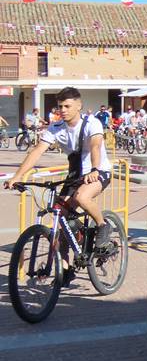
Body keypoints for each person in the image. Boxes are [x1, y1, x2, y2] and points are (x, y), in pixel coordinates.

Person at [5, 87, 113, 249]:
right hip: (75, 175)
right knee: (60, 219)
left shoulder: (92, 122)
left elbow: (96, 146)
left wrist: (94, 169)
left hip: (98, 171)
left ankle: (102, 225)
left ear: (78, 105)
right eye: (60, 107)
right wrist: (18, 176)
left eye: (67, 106)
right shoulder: (56, 128)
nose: (62, 110)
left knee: (82, 197)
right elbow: (36, 152)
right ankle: (65, 269)